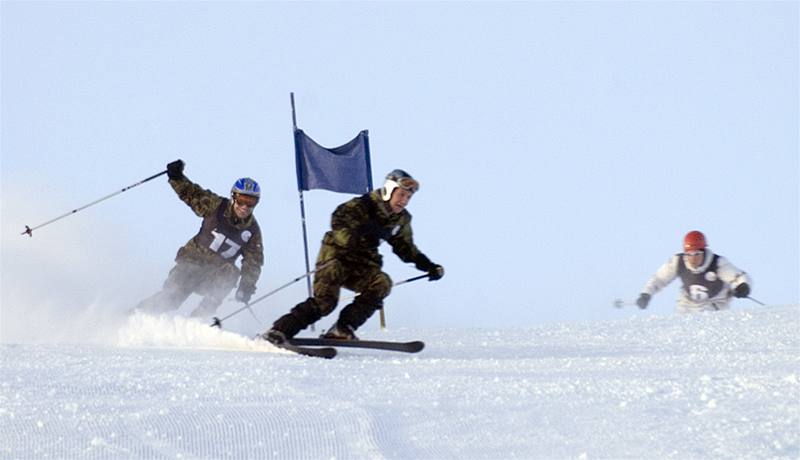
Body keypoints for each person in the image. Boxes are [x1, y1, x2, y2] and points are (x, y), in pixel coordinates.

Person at [263, 169, 444, 344]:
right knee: (326, 302)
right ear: (389, 190)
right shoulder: (363, 206)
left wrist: (428, 266)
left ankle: (342, 329)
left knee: (381, 283)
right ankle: (279, 330)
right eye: (401, 195)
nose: (404, 201)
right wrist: (358, 236)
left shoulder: (401, 219)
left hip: (363, 264)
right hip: (337, 257)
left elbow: (405, 248)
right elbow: (338, 220)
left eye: (408, 197)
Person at [135, 159, 264, 317]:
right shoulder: (216, 206)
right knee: (173, 299)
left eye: (251, 202)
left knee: (231, 272)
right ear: (233, 197)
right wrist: (176, 177)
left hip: (212, 275)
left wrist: (246, 287)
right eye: (242, 200)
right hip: (191, 263)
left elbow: (254, 262)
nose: (245, 207)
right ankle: (135, 316)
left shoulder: (252, 231)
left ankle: (198, 319)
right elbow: (192, 193)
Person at [636, 230, 751, 312]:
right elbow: (659, 279)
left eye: (697, 254)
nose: (693, 258)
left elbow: (738, 277)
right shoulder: (678, 262)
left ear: (704, 251)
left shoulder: (717, 263)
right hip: (687, 305)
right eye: (689, 254)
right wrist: (646, 294)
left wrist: (743, 286)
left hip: (715, 305)